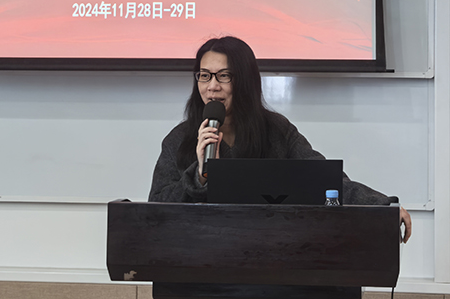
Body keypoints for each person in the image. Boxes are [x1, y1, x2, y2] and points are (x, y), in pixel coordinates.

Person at [148, 36, 412, 242]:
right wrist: (200, 176)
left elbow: (324, 178)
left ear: (246, 81)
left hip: (269, 254)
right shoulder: (179, 139)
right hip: (199, 258)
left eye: (224, 76)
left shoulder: (275, 130)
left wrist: (382, 206)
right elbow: (156, 209)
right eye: (204, 76)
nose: (212, 86)